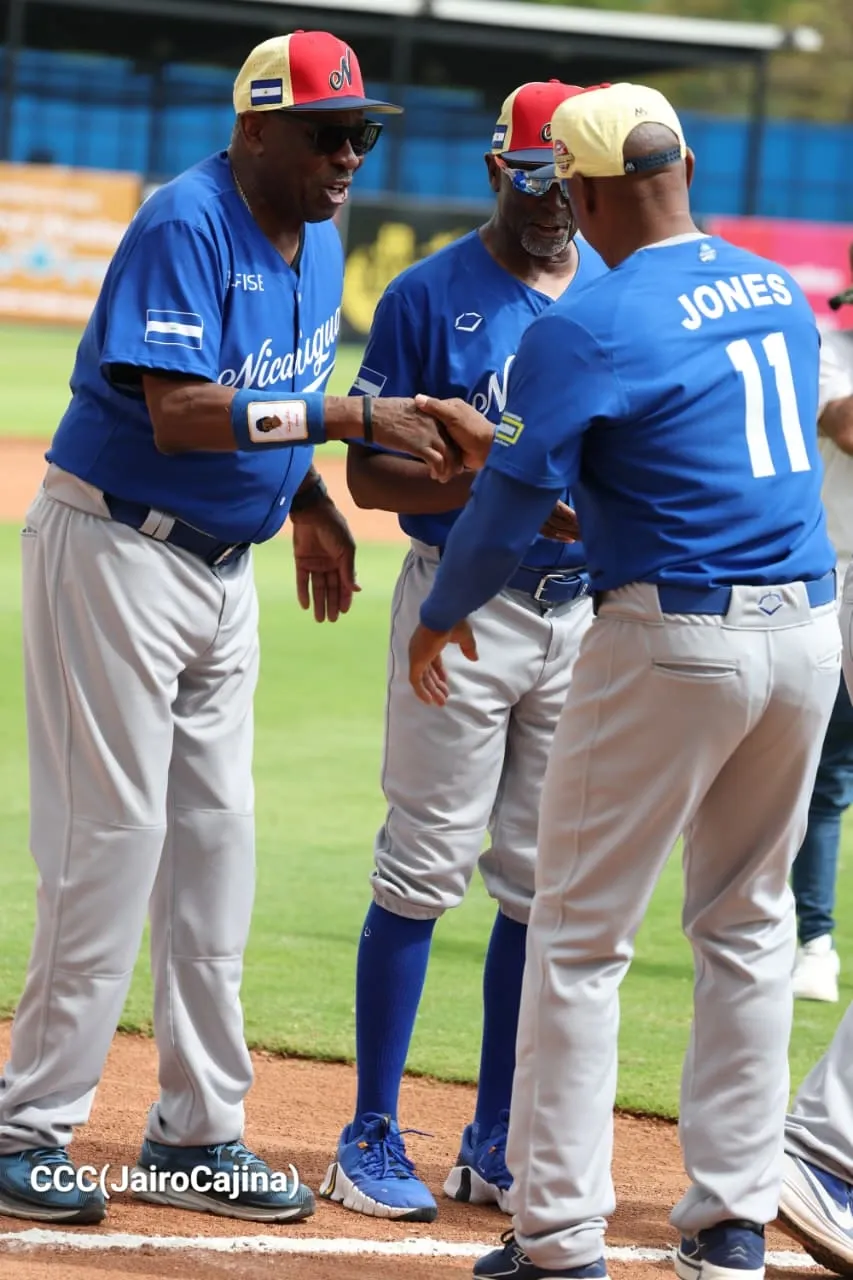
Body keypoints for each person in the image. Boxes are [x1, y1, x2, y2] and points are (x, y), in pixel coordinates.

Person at [0, 29, 458, 1228]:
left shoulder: (317, 233)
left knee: (217, 851)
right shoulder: (184, 220)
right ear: (256, 128)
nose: (348, 154)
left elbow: (269, 388)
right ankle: (27, 1122)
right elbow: (182, 409)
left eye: (361, 132)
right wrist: (349, 417)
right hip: (117, 551)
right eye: (325, 132)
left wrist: (304, 495)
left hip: (218, 571)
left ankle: (194, 1131)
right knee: (111, 839)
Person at [404, 82, 841, 1280]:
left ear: (582, 191)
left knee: (579, 934)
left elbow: (501, 509)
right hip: (807, 630)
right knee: (748, 928)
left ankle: (555, 1235)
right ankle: (730, 1224)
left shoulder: (586, 322)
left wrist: (440, 614)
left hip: (672, 635)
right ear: (685, 162)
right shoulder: (774, 287)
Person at [318, 80, 606, 1224]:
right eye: (533, 181)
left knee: (538, 884)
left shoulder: (614, 295)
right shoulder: (428, 294)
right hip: (462, 603)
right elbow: (369, 473)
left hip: (583, 615)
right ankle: (370, 1130)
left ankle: (493, 1135)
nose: (553, 207)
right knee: (421, 865)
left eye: (569, 187)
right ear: (498, 170)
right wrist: (494, 478)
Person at [790, 250, 853, 1004]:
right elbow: (845, 426)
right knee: (826, 776)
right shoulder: (825, 352)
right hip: (837, 578)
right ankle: (814, 940)